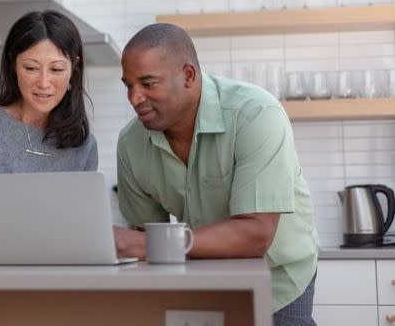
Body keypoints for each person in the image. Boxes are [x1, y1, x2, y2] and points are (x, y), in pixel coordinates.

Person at [113, 23, 318, 326]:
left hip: (278, 278)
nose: (134, 97)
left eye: (147, 83)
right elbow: (145, 237)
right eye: (128, 85)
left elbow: (256, 235)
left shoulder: (256, 113)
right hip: (203, 278)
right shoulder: (131, 143)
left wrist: (143, 245)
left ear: (188, 76)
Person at [0, 10, 98, 260]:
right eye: (31, 68)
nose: (44, 83)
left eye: (57, 69)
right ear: (13, 65)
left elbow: (79, 227)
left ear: (74, 70)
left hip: (51, 271)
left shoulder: (83, 145)